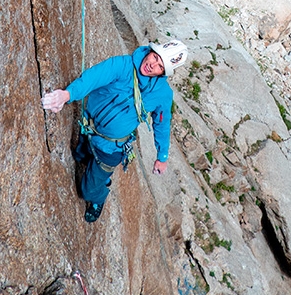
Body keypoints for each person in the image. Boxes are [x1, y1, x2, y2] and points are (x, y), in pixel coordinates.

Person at [42, 39, 188, 223]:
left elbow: (162, 123)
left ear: (163, 73)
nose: (152, 65)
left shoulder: (162, 94)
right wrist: (67, 94)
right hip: (90, 129)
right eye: (155, 57)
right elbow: (93, 78)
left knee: (88, 190)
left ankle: (98, 197)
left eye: (160, 66)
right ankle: (98, 176)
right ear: (149, 51)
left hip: (112, 148)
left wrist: (162, 157)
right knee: (80, 156)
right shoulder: (122, 65)